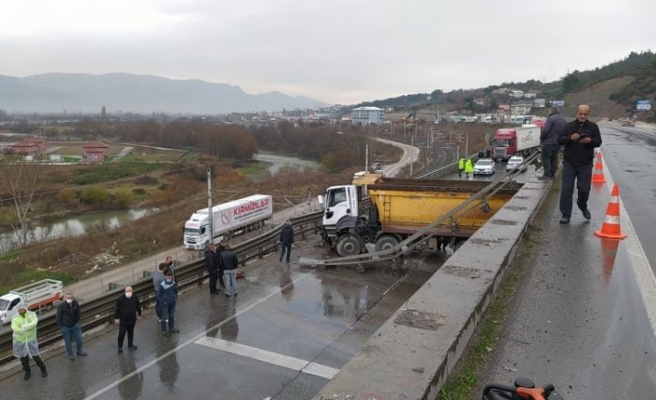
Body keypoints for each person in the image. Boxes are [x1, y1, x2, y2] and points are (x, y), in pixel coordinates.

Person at [557, 104, 602, 224]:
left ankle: (582, 205)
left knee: (584, 189)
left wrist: (590, 140)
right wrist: (570, 138)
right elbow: (560, 139)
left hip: (585, 164)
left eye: (585, 114)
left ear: (588, 114)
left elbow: (598, 142)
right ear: (576, 113)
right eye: (580, 113)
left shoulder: (593, 127)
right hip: (569, 163)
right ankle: (566, 214)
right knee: (566, 189)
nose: (582, 116)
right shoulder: (569, 126)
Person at [12, 302, 47, 380]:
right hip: (20, 342)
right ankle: (27, 372)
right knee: (23, 360)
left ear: (25, 308)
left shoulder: (31, 315)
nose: (19, 311)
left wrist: (23, 326)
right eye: (18, 309)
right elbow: (15, 329)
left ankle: (43, 368)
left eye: (21, 309)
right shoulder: (15, 317)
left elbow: (34, 323)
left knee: (36, 356)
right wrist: (26, 328)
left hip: (31, 341)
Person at [56, 292, 88, 360]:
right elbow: (58, 317)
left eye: (70, 298)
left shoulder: (75, 303)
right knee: (68, 342)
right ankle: (70, 355)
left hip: (75, 324)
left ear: (73, 298)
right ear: (64, 298)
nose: (69, 299)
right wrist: (62, 326)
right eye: (67, 298)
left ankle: (79, 351)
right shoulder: (61, 306)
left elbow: (78, 311)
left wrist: (77, 320)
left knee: (79, 339)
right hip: (65, 326)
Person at [539, 107, 567, 179]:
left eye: (548, 111)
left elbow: (545, 130)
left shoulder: (551, 119)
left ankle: (547, 174)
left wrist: (541, 138)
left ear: (551, 111)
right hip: (558, 142)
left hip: (549, 142)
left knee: (546, 158)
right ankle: (552, 174)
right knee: (554, 158)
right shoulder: (563, 119)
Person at [114, 286, 141, 353]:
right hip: (123, 320)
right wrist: (116, 318)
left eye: (130, 291)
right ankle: (120, 347)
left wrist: (139, 315)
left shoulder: (135, 298)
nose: (128, 292)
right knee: (122, 334)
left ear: (132, 291)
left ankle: (130, 344)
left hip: (132, 319)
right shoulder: (120, 299)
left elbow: (138, 307)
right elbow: (117, 309)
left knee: (131, 332)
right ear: (124, 292)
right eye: (127, 291)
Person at [157, 270, 179, 335]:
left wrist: (175, 298)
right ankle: (164, 330)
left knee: (172, 315)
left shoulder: (173, 283)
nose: (169, 277)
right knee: (164, 317)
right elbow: (159, 295)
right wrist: (163, 302)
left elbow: (175, 291)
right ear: (166, 277)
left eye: (170, 276)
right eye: (168, 276)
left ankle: (171, 327)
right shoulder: (162, 285)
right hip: (165, 303)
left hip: (172, 302)